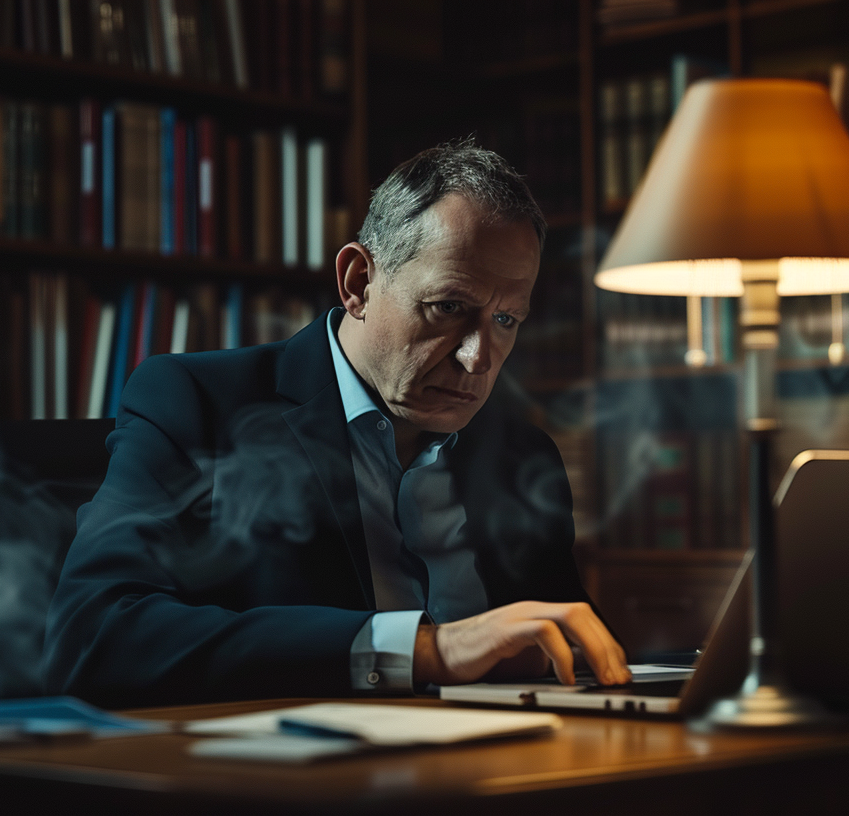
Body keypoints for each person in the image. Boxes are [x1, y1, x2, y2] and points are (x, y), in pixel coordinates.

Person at [43, 141, 630, 707]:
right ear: (357, 283)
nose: (479, 358)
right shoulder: (198, 402)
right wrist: (426, 651)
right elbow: (93, 636)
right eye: (449, 307)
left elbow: (568, 641)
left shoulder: (522, 455)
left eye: (506, 319)